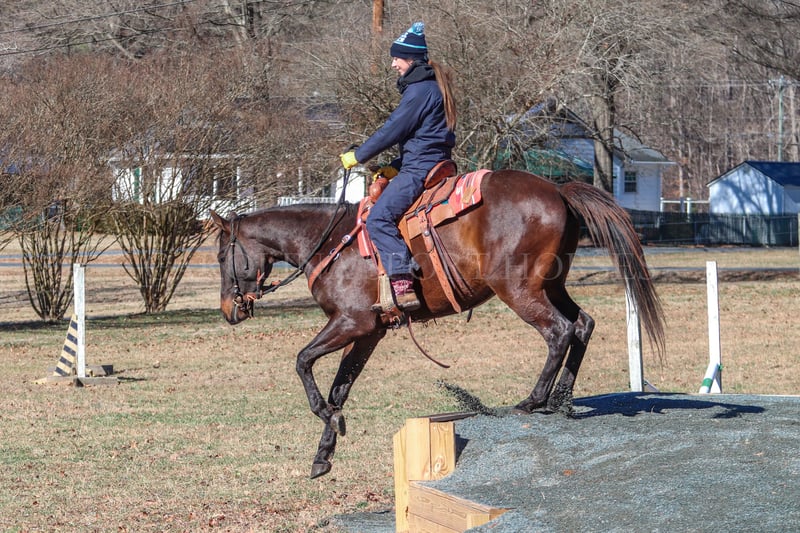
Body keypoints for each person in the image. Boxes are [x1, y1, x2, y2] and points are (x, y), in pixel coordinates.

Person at [340, 21, 457, 312]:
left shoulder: (419, 90)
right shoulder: (431, 88)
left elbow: (392, 130)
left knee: (378, 219)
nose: (393, 64)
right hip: (429, 162)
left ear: (411, 59)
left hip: (420, 168)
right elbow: (426, 138)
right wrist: (395, 166)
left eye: (397, 58)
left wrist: (358, 156)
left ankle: (402, 283)